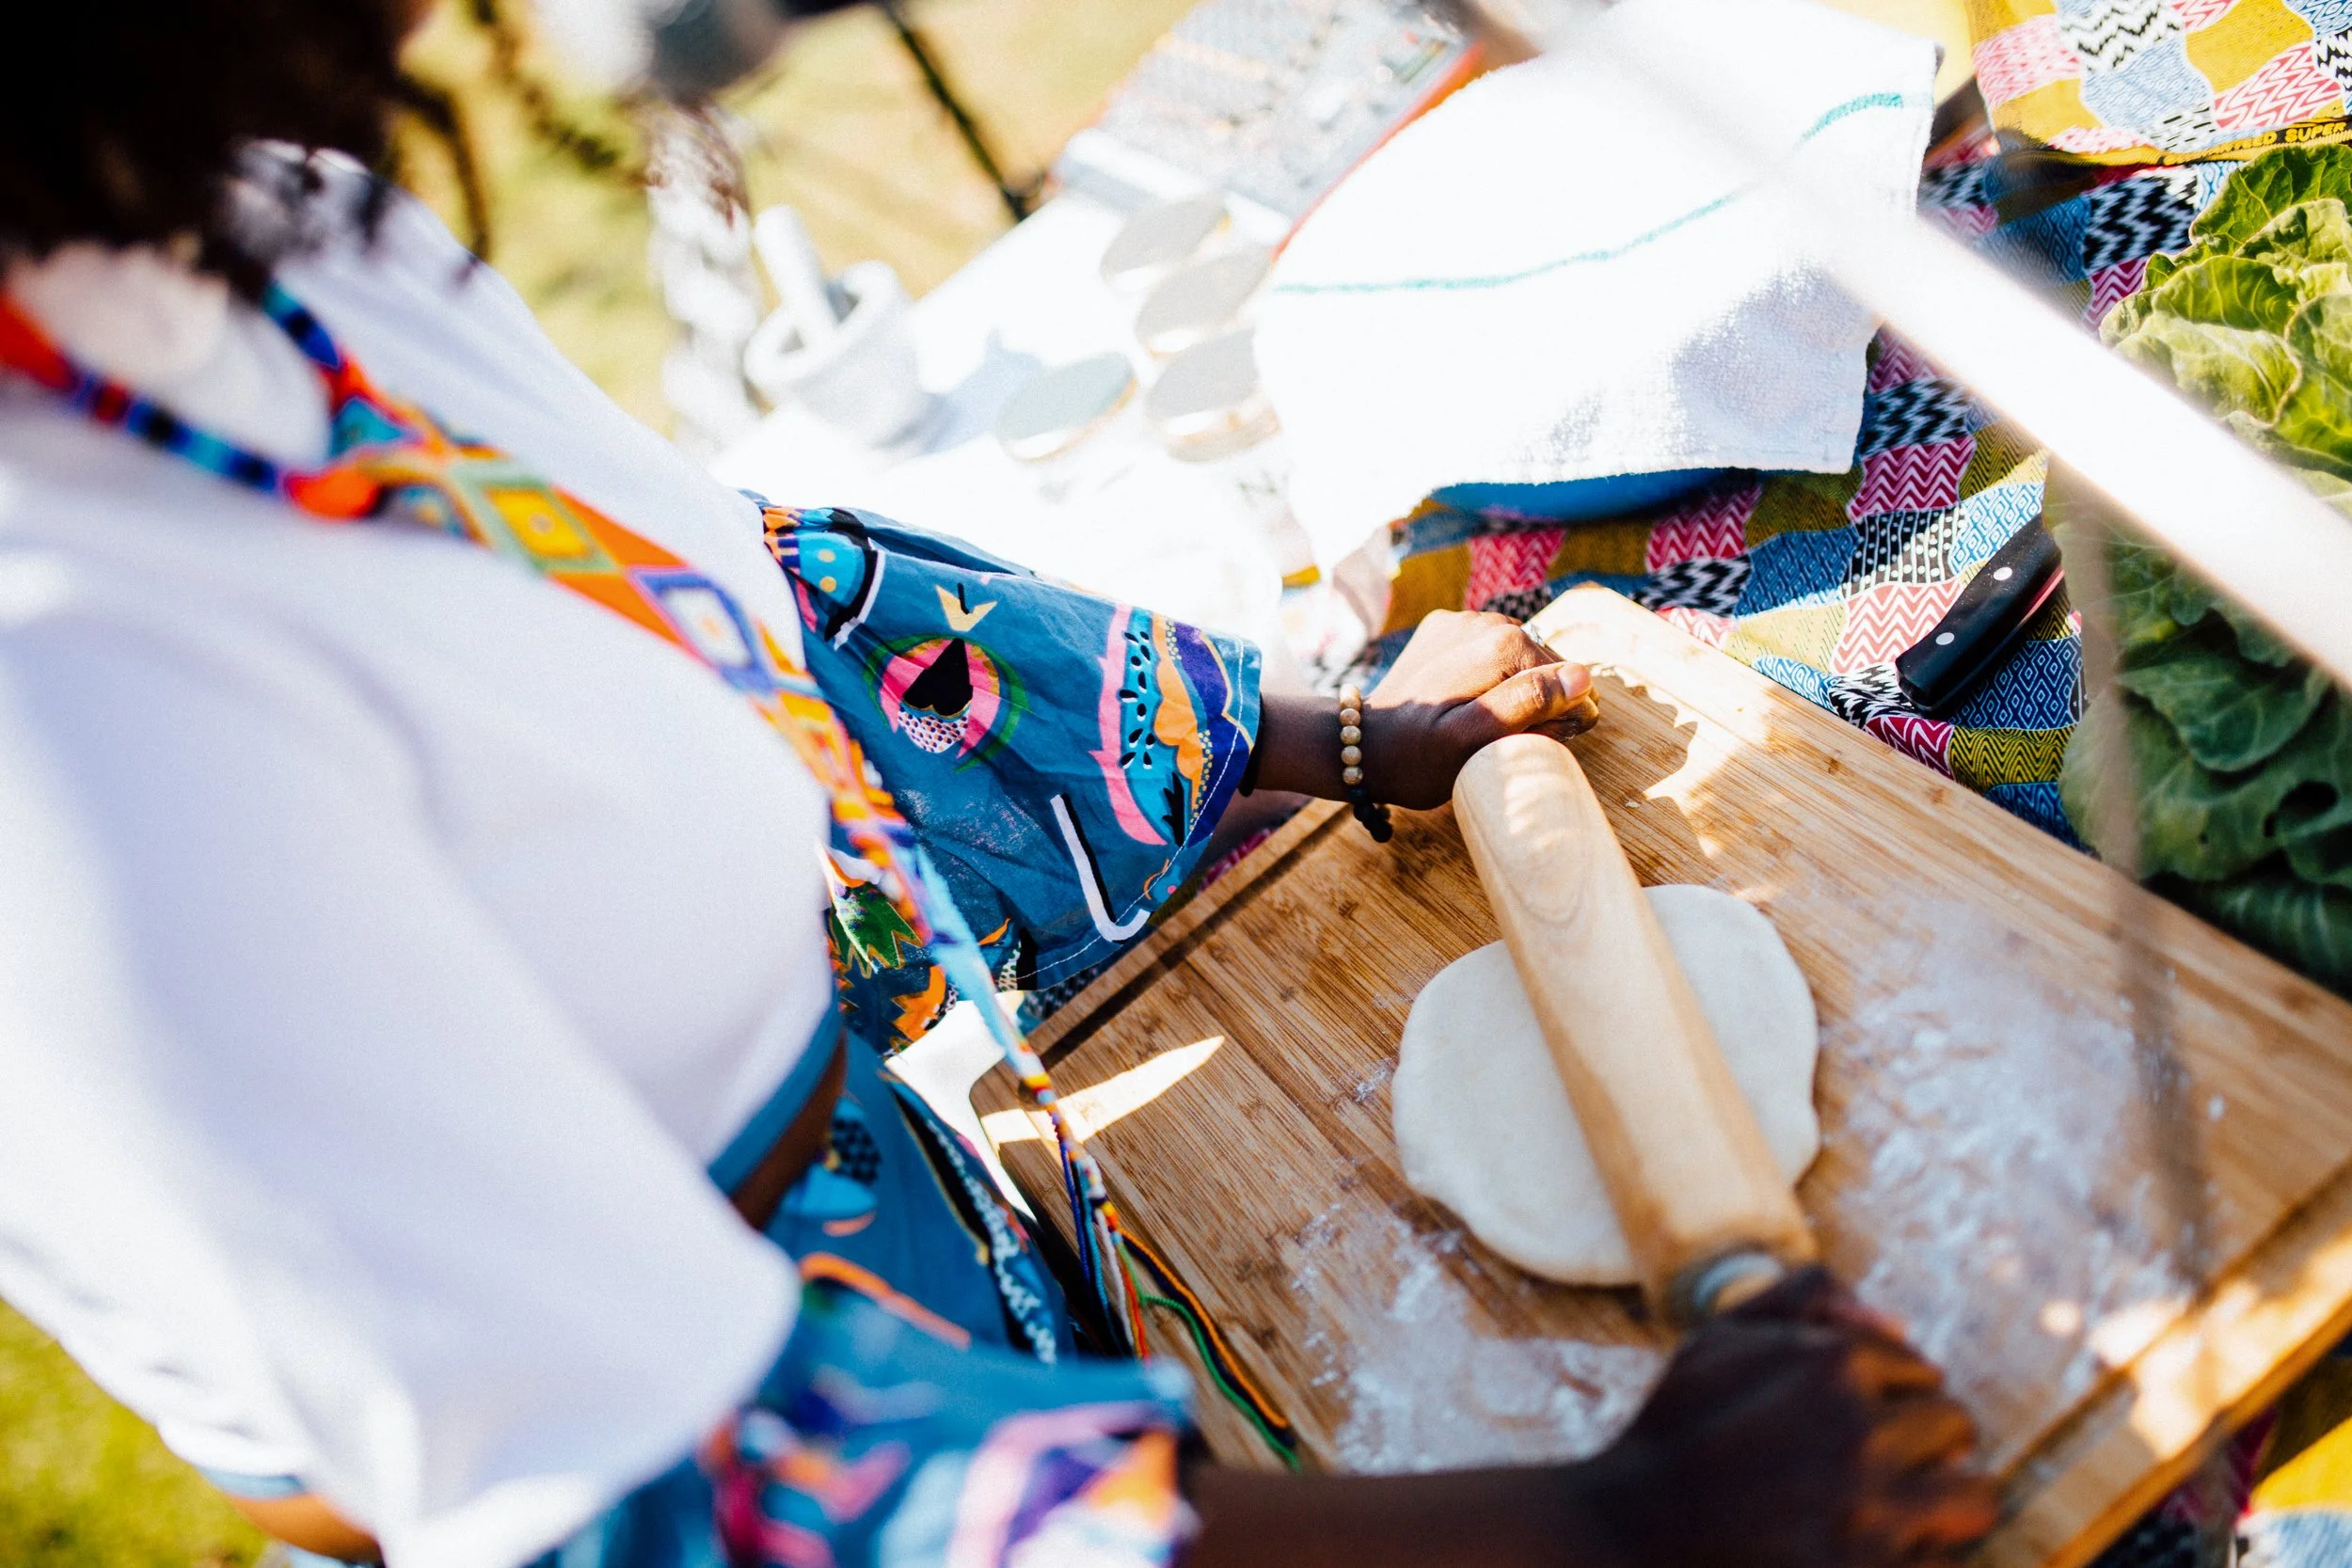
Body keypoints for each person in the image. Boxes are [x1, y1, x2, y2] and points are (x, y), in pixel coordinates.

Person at [0, 4, 1998, 1567]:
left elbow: (721, 608)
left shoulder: (259, 229)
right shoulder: (58, 686)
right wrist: (1612, 1525)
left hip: (952, 1264)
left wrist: (1311, 734)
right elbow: (651, 1497)